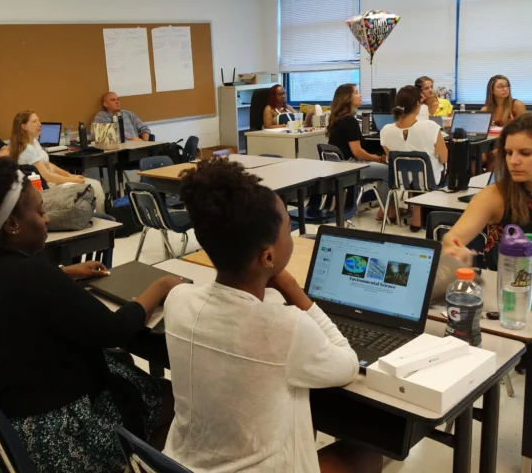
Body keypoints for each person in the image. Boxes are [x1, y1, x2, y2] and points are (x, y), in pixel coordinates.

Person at [0, 158, 180, 473]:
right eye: (40, 212)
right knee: (173, 397)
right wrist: (160, 286)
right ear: (13, 225)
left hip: (5, 425)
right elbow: (114, 330)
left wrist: (65, 272)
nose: (46, 219)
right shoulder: (35, 276)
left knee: (123, 368)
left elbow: (15, 293)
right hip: (53, 438)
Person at [162, 158, 382, 473]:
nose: (292, 237)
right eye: (288, 230)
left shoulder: (178, 300)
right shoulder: (287, 327)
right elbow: (348, 364)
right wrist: (295, 291)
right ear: (268, 257)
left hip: (181, 464)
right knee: (368, 453)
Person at [441, 113, 532, 473]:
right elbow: (454, 237)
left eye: (525, 153)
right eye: (508, 153)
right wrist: (456, 249)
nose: (513, 161)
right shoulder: (497, 195)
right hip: (516, 305)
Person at [380, 85, 448, 232]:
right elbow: (444, 157)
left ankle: (405, 210)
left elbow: (390, 157)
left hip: (400, 181)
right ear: (418, 104)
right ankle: (426, 214)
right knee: (444, 170)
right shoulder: (430, 127)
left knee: (414, 173)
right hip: (429, 180)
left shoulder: (385, 130)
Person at [9, 109, 106, 212]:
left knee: (93, 185)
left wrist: (70, 175)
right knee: (93, 186)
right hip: (45, 187)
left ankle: (98, 216)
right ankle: (100, 218)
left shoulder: (35, 142)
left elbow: (48, 164)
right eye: (34, 122)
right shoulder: (26, 149)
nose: (39, 124)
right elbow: (46, 176)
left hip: (52, 181)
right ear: (24, 127)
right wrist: (73, 180)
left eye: (38, 120)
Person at [326, 84, 393, 221]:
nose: (360, 95)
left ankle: (383, 207)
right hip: (351, 168)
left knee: (382, 167)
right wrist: (377, 158)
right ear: (347, 98)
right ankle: (387, 211)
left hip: (340, 167)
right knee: (388, 170)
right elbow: (357, 152)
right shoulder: (349, 120)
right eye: (356, 92)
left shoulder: (338, 118)